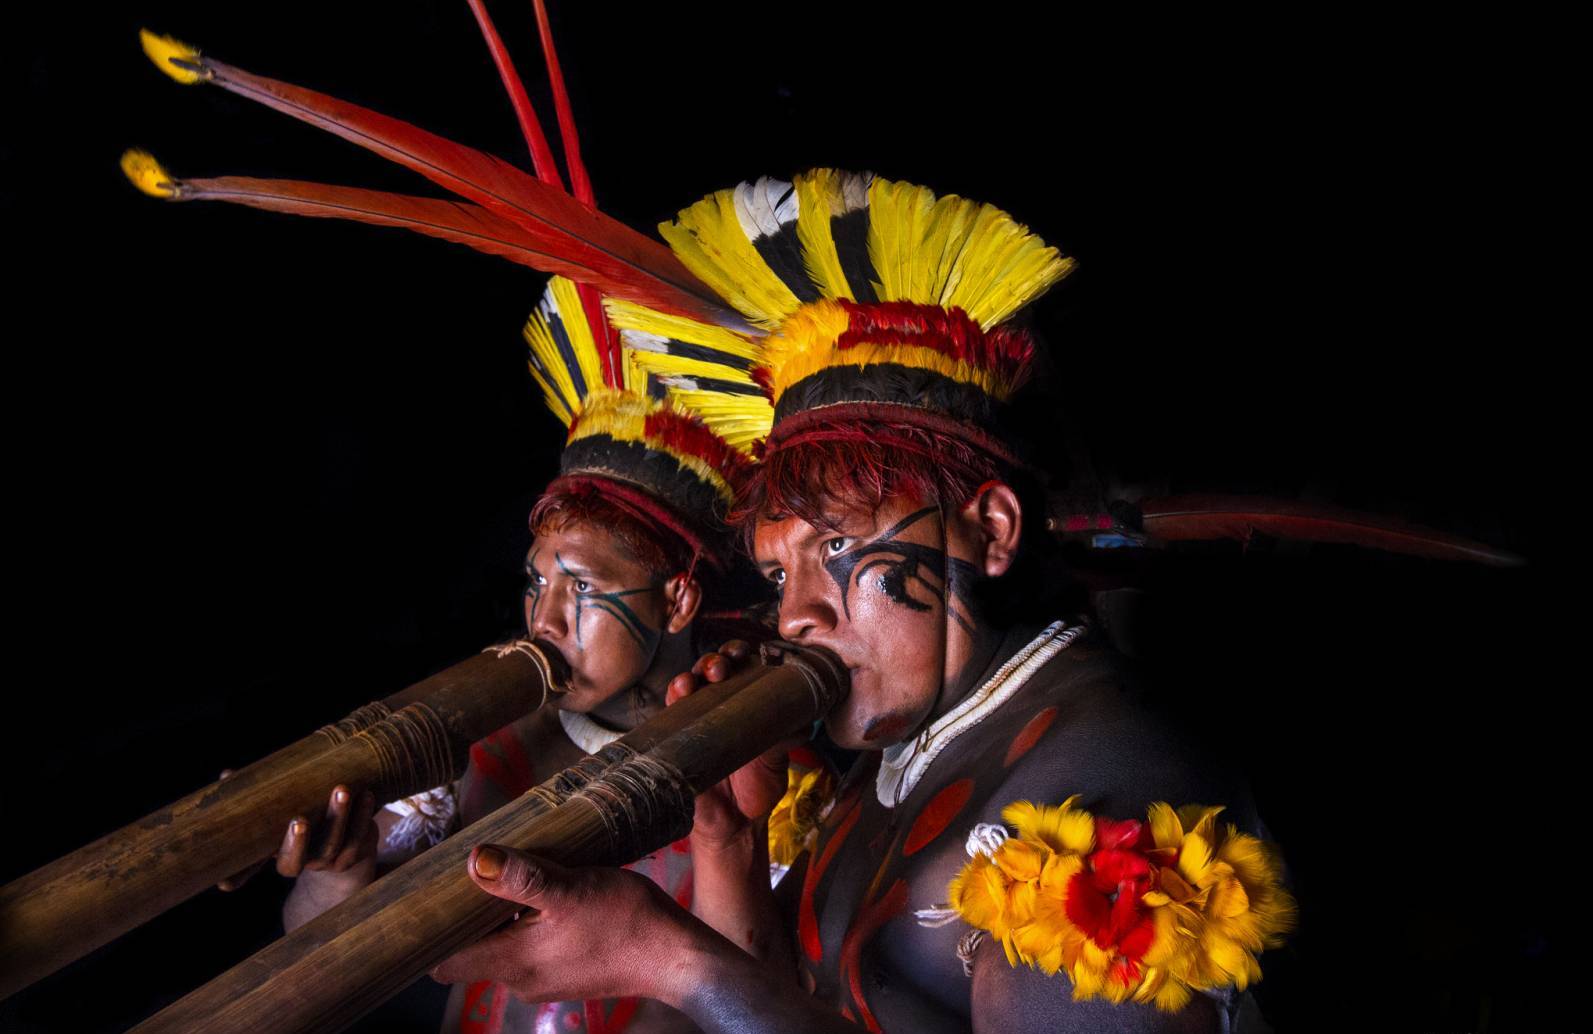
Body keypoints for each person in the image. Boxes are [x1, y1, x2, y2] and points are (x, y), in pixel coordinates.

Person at [428, 171, 1293, 1032]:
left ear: (989, 531)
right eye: (776, 575)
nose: (794, 615)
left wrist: (671, 961)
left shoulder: (1109, 805)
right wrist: (726, 842)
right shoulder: (911, 744)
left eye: (836, 547)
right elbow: (796, 1001)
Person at [245, 275, 781, 1034]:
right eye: (536, 583)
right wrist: (340, 870)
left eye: (583, 587)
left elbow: (775, 998)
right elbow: (310, 948)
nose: (544, 616)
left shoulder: (763, 775)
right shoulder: (483, 746)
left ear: (678, 602)